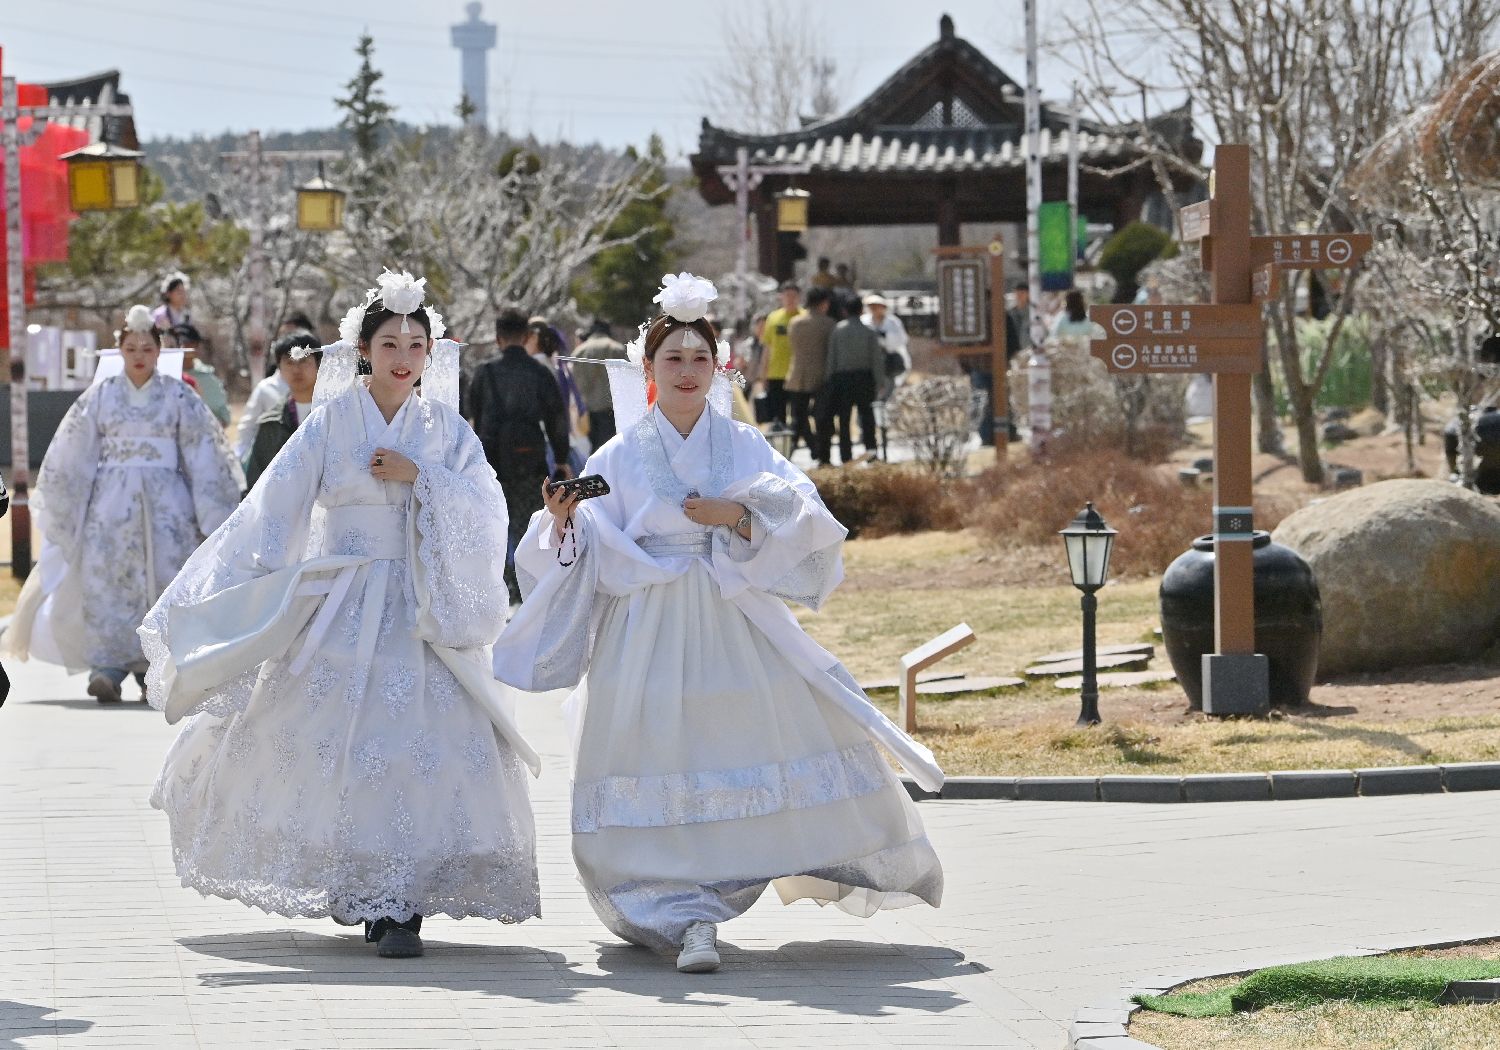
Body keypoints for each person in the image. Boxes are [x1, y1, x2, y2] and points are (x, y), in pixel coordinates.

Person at [492, 272, 943, 975]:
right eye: (672, 359)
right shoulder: (617, 453)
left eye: (699, 359)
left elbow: (801, 508)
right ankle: (677, 909)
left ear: (718, 366)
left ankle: (720, 893)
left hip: (729, 614)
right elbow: (584, 547)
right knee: (654, 754)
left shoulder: (740, 444)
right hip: (646, 623)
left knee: (737, 742)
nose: (686, 371)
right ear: (648, 370)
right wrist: (562, 523)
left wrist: (736, 517)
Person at [139, 270, 541, 960]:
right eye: (390, 341)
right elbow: (275, 508)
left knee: (419, 738)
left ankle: (403, 899)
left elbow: (487, 506)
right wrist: (245, 594)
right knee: (338, 738)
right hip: (342, 599)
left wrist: (425, 478)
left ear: (431, 351)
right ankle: (359, 882)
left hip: (422, 603)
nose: (404, 355)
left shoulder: (445, 429)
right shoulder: (330, 422)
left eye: (417, 343)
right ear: (364, 347)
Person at [0, 306, 242, 703]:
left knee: (165, 578)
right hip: (109, 507)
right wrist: (67, 504)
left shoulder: (179, 394)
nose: (140, 355)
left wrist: (212, 511)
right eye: (131, 348)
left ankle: (156, 669)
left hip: (169, 507)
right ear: (120, 351)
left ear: (159, 350)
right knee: (108, 581)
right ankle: (107, 667)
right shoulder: (101, 395)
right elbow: (72, 453)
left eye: (147, 347)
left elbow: (203, 453)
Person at [467, 307, 572, 605]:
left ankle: (499, 584)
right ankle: (528, 583)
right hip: (530, 455)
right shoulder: (539, 372)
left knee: (495, 521)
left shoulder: (485, 372)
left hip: (491, 459)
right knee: (529, 523)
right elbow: (556, 418)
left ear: (497, 338)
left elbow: (472, 413)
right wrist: (562, 457)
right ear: (527, 336)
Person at [243, 332, 321, 489]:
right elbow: (256, 482)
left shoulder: (334, 415)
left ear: (319, 364)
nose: (297, 369)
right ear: (279, 368)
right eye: (289, 362)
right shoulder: (270, 423)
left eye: (304, 361)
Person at [819, 298, 886, 464]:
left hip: (842, 379)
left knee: (844, 418)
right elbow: (876, 359)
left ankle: (845, 455)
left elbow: (831, 358)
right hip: (864, 377)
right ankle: (871, 451)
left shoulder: (838, 330)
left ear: (845, 311)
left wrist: (828, 380)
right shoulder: (869, 331)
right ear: (861, 311)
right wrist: (880, 381)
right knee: (867, 415)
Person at [785, 287, 835, 463]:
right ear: (823, 303)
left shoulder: (795, 323)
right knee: (823, 418)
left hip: (797, 375)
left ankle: (791, 453)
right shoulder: (829, 324)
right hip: (822, 377)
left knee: (798, 418)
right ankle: (824, 456)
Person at [571, 319, 628, 449]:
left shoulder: (579, 351)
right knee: (609, 451)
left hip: (586, 412)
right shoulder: (617, 349)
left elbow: (575, 383)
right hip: (610, 411)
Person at [171, 323, 231, 428]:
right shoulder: (160, 376)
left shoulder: (208, 377)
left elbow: (223, 417)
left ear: (196, 346)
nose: (182, 347)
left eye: (187, 343)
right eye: (176, 343)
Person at [760, 282, 802, 428]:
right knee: (779, 413)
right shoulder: (773, 317)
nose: (790, 299)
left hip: (797, 374)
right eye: (787, 296)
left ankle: (795, 441)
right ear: (781, 298)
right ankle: (782, 445)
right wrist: (763, 373)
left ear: (799, 297)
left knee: (798, 413)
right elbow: (767, 347)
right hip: (776, 373)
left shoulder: (804, 317)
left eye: (794, 296)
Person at [861, 294, 909, 400]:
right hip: (869, 362)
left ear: (883, 307)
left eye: (877, 306)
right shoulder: (864, 321)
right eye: (871, 306)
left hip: (888, 362)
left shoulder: (893, 322)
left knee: (887, 393)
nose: (874, 309)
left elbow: (902, 340)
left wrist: (885, 338)